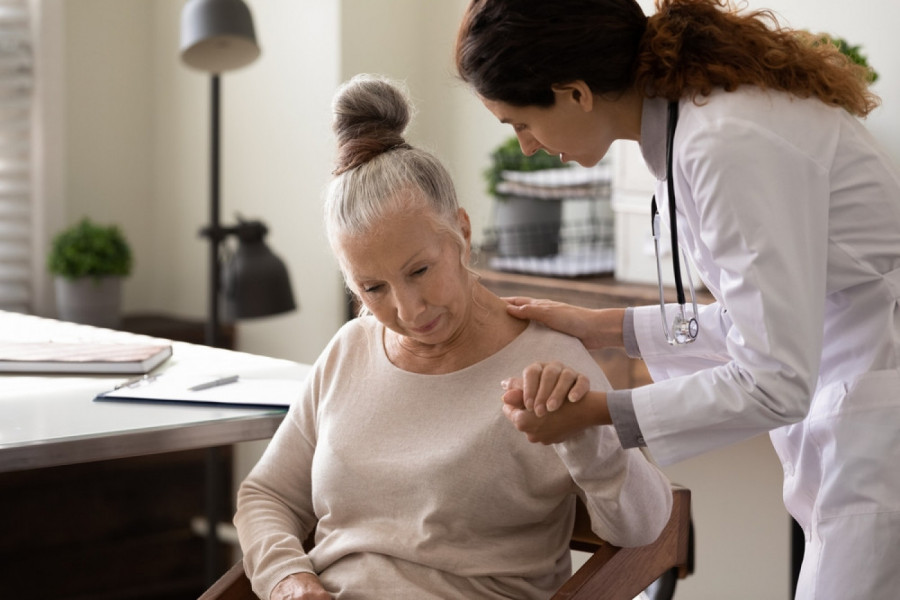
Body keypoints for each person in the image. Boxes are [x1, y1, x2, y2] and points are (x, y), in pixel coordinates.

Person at [455, 0, 900, 598]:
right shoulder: (696, 127)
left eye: (520, 123)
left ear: (576, 93)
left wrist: (600, 414)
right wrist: (603, 326)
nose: (527, 146)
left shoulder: (723, 143)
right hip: (854, 370)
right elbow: (762, 324)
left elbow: (773, 378)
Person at [233, 74, 672, 600]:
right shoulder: (350, 350)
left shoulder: (549, 358)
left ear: (462, 232)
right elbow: (265, 496)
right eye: (373, 287)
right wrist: (290, 582)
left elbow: (646, 527)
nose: (407, 309)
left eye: (419, 271)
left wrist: (583, 434)